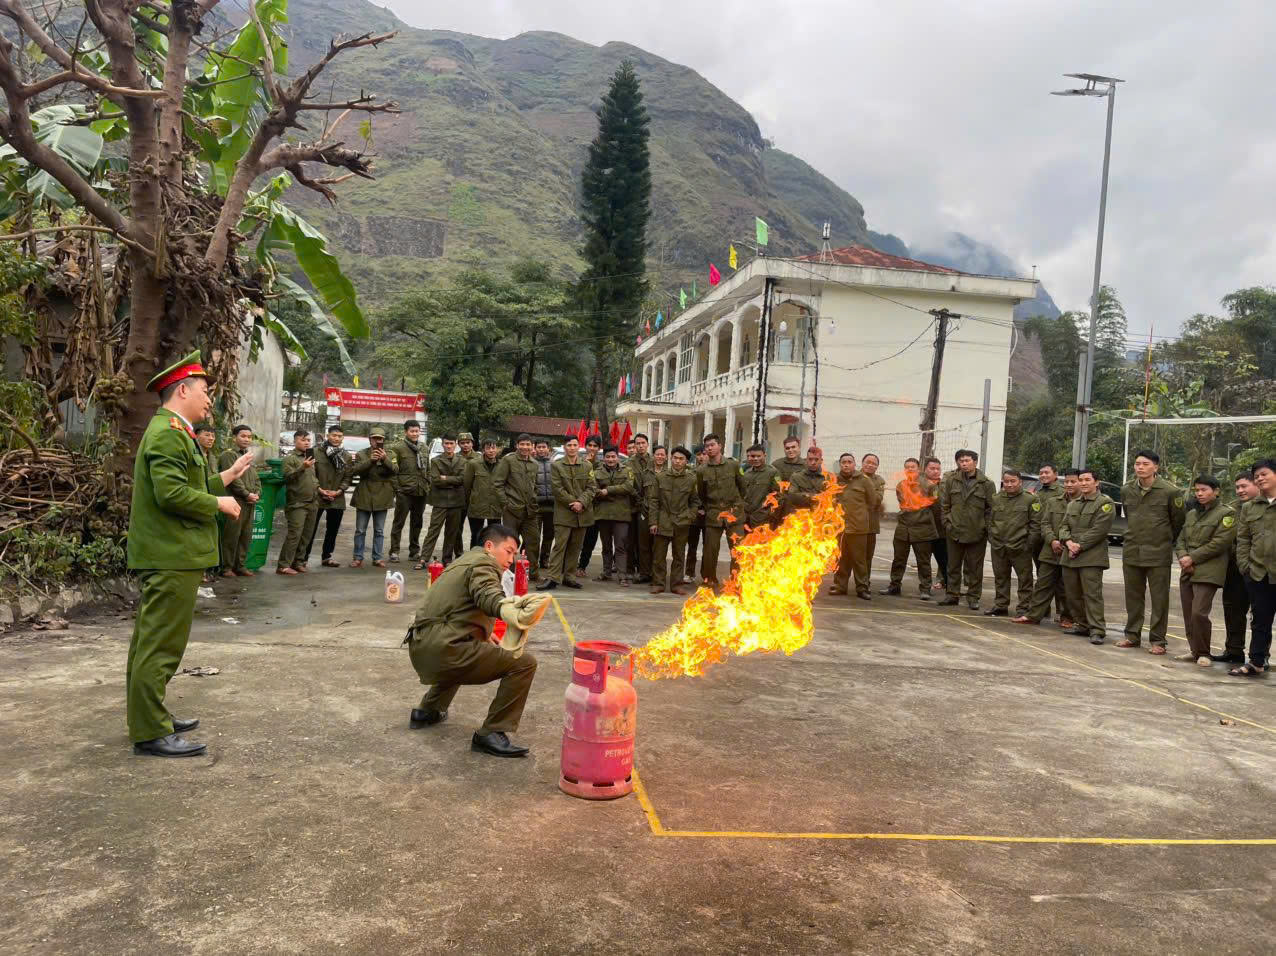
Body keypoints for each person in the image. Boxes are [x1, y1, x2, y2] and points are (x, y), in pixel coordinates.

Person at [125, 351, 256, 757]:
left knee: (150, 642)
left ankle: (150, 716)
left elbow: (188, 484)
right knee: (160, 645)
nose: (209, 400)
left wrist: (227, 477)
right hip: (171, 553)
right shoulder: (168, 433)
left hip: (171, 552)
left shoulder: (175, 431)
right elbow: (171, 494)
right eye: (204, 391)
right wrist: (219, 503)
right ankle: (150, 731)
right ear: (182, 390)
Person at [405, 524, 549, 757]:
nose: (511, 560)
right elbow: (486, 593)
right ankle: (492, 733)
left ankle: (428, 710)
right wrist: (506, 608)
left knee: (467, 651)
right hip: (444, 651)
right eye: (509, 551)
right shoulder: (484, 563)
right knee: (524, 663)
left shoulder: (462, 562)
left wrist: (482, 630)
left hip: (422, 646)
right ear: (489, 546)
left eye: (514, 554)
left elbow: (456, 606)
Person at [1117, 450, 1186, 655]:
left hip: (1158, 553)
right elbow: (1130, 515)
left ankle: (1158, 640)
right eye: (1137, 464)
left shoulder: (1170, 491)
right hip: (1132, 551)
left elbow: (1178, 522)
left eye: (1145, 464)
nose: (1140, 467)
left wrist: (1164, 540)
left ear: (1156, 467)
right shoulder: (1127, 489)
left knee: (1159, 599)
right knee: (1133, 596)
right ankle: (1132, 635)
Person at [1173, 475, 1236, 666]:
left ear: (1216, 491)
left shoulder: (1227, 513)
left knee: (1198, 612)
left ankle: (1203, 653)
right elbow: (1181, 539)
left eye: (1204, 490)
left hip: (1209, 569)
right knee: (1188, 612)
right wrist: (1183, 556)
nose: (1199, 494)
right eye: (1197, 490)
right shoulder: (1192, 514)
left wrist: (1192, 557)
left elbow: (1220, 542)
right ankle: (1194, 650)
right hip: (1188, 568)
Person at [1014, 468, 1081, 628]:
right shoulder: (1053, 501)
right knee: (1042, 584)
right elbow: (1044, 523)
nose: (1069, 485)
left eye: (1073, 481)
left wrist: (1067, 543)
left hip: (1072, 551)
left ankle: (1067, 617)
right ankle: (1033, 615)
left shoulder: (1083, 503)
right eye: (1067, 482)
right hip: (1050, 550)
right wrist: (1052, 540)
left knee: (1067, 587)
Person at [1059, 468, 1115, 645]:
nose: (1083, 483)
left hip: (1092, 557)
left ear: (1096, 482)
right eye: (1081, 480)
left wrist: (1079, 545)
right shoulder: (1073, 504)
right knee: (1072, 594)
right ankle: (1082, 625)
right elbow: (1063, 527)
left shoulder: (1105, 503)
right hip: (1070, 556)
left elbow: (1099, 530)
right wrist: (1068, 542)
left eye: (1087, 480)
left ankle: (1097, 630)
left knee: (1092, 595)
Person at [1232, 458, 1276, 677]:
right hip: (1258, 573)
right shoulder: (1249, 507)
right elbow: (1243, 539)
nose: (1259, 478)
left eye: (1264, 474)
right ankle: (1256, 662)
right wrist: (1245, 567)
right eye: (1256, 476)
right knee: (1260, 621)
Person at [938, 449, 995, 609]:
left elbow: (991, 509)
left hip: (977, 532)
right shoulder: (952, 481)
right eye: (961, 461)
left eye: (967, 461)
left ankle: (973, 597)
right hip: (954, 530)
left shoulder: (987, 484)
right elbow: (945, 504)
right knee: (952, 566)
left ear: (975, 462)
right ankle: (952, 595)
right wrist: (947, 523)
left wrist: (985, 527)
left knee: (975, 568)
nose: (963, 464)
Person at [538, 435, 596, 591]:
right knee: (559, 546)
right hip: (564, 512)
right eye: (569, 445)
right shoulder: (557, 466)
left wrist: (581, 502)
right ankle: (553, 578)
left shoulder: (587, 466)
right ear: (564, 447)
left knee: (576, 547)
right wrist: (573, 503)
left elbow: (592, 488)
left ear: (579, 447)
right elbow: (557, 489)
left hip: (582, 513)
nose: (572, 448)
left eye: (575, 445)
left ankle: (569, 577)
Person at [1217, 471, 1259, 663]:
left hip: (1260, 567)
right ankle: (1233, 650)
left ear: (1256, 485)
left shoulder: (1268, 507)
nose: (1240, 490)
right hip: (1234, 568)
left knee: (1260, 613)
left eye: (1244, 486)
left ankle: (1260, 655)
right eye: (1237, 487)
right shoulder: (1231, 509)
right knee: (1233, 609)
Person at [883, 458, 938, 599]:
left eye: (913, 466)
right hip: (903, 528)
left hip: (922, 528)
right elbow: (902, 503)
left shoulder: (929, 485)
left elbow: (936, 505)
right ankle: (894, 586)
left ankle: (925, 589)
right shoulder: (901, 485)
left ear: (918, 469)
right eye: (907, 467)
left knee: (923, 561)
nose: (910, 469)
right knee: (898, 559)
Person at [696, 433, 744, 589]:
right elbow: (701, 493)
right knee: (710, 550)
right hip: (714, 514)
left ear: (720, 445)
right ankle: (709, 579)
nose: (709, 448)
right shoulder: (701, 470)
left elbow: (742, 487)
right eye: (707, 446)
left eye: (712, 445)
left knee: (737, 550)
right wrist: (709, 507)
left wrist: (738, 506)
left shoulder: (733, 465)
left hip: (733, 513)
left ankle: (736, 582)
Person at [648, 445, 699, 594]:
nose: (677, 461)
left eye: (681, 459)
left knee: (679, 555)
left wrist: (690, 516)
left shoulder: (691, 479)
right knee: (659, 555)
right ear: (670, 458)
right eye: (675, 458)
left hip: (682, 522)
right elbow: (654, 500)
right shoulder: (661, 477)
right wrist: (653, 522)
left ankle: (677, 584)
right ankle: (658, 583)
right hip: (663, 521)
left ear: (686, 461)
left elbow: (695, 501)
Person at [830, 453, 881, 599]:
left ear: (854, 464)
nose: (846, 464)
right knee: (841, 559)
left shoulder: (864, 481)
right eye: (843, 462)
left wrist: (860, 515)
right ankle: (840, 586)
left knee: (860, 560)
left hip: (858, 527)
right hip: (840, 528)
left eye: (849, 462)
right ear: (840, 464)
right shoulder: (834, 481)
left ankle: (862, 588)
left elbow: (873, 501)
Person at [986, 469, 1035, 616]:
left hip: (1020, 547)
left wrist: (1028, 545)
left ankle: (1024, 608)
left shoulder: (1030, 500)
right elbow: (990, 520)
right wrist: (992, 538)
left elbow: (1036, 525)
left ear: (1020, 482)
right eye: (1006, 481)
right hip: (999, 546)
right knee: (1000, 577)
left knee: (1025, 579)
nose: (1009, 484)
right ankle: (1001, 605)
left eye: (1013, 481)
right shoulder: (996, 498)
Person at [349, 426, 399, 568]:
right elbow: (354, 470)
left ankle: (377, 557)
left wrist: (385, 459)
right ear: (370, 439)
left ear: (384, 440)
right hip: (364, 493)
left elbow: (395, 470)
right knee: (360, 530)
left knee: (379, 530)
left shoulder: (390, 454)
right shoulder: (361, 454)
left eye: (380, 439)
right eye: (374, 438)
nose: (377, 441)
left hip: (383, 494)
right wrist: (370, 461)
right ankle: (358, 557)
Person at [493, 433, 541, 576]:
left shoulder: (535, 464)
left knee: (534, 541)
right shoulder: (508, 461)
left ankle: (532, 573)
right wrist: (505, 503)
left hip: (530, 511)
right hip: (511, 510)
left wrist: (534, 499)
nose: (525, 447)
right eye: (522, 444)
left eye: (528, 444)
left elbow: (535, 485)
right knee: (510, 543)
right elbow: (498, 484)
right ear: (517, 445)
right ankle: (509, 573)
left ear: (532, 446)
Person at [305, 424, 350, 568]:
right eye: (334, 435)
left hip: (337, 498)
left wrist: (339, 491)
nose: (336, 438)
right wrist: (320, 489)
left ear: (342, 438)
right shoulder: (315, 452)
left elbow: (348, 477)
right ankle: (303, 558)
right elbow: (310, 474)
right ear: (327, 436)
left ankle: (327, 557)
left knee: (332, 530)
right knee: (310, 529)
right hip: (317, 496)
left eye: (339, 436)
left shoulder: (346, 456)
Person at [218, 424, 260, 577]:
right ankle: (226, 567)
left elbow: (256, 479)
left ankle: (240, 566)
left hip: (249, 502)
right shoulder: (229, 455)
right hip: (235, 501)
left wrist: (257, 493)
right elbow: (233, 479)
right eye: (243, 436)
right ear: (234, 437)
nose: (246, 439)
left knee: (245, 536)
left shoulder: (248, 457)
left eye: (249, 437)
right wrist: (246, 494)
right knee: (231, 536)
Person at [419, 433, 465, 569]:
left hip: (456, 501)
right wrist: (453, 480)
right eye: (446, 443)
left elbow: (462, 479)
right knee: (433, 530)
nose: (449, 446)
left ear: (456, 445)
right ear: (443, 444)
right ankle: (424, 558)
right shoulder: (436, 460)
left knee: (452, 532)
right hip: (439, 501)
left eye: (451, 443)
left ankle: (447, 559)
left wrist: (446, 478)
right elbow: (436, 480)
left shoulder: (462, 461)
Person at [1029, 464, 1068, 622]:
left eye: (1047, 472)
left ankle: (1062, 612)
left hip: (1055, 541)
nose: (1043, 475)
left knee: (1061, 580)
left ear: (1055, 474)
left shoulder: (1061, 492)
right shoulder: (1038, 492)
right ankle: (1043, 609)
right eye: (1041, 473)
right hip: (1040, 541)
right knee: (1042, 577)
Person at [277, 429, 319, 575]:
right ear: (295, 441)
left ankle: (298, 562)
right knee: (295, 534)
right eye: (303, 440)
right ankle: (283, 565)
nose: (306, 442)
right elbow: (287, 478)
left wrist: (320, 490)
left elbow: (313, 479)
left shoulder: (311, 458)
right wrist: (302, 467)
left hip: (312, 502)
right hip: (297, 503)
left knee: (306, 536)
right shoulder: (290, 459)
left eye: (308, 440)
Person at [388, 420, 429, 565]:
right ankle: (394, 551)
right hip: (404, 491)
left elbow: (428, 469)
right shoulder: (398, 448)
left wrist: (428, 485)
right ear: (406, 432)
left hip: (421, 490)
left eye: (417, 431)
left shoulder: (424, 447)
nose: (415, 434)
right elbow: (393, 471)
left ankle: (414, 551)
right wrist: (397, 489)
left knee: (417, 523)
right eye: (412, 431)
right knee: (399, 522)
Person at [592, 444, 634, 584]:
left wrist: (607, 491)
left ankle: (622, 576)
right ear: (604, 458)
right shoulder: (597, 472)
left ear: (618, 457)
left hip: (621, 515)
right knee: (606, 546)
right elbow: (593, 490)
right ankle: (606, 573)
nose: (610, 459)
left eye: (613, 456)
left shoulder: (627, 471)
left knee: (621, 546)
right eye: (608, 457)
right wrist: (615, 493)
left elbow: (628, 487)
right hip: (603, 514)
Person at [463, 438, 504, 547]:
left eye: (493, 448)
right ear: (483, 450)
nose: (491, 451)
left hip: (495, 506)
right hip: (477, 506)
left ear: (497, 449)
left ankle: (491, 557)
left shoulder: (502, 465)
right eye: (488, 448)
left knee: (494, 536)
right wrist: (471, 501)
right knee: (476, 535)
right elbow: (467, 485)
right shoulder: (473, 464)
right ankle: (474, 556)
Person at [626, 433, 655, 583]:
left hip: (650, 507)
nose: (640, 446)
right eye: (638, 443)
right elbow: (628, 484)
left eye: (643, 443)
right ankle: (630, 570)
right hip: (633, 506)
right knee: (630, 541)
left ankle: (646, 571)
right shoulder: (629, 463)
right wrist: (638, 499)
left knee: (646, 542)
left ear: (647, 444)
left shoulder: (654, 461)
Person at [194, 423, 220, 583]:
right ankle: (198, 572)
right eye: (206, 435)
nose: (211, 439)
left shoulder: (213, 458)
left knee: (209, 537)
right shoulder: (192, 453)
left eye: (213, 436)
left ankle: (206, 571)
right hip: (197, 501)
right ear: (196, 436)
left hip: (212, 501)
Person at [576, 435, 604, 577]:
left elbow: (601, 486)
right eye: (590, 445)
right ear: (585, 446)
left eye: (595, 446)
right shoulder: (578, 461)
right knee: (575, 539)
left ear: (599, 448)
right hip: (579, 506)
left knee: (590, 540)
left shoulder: (602, 465)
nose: (592, 448)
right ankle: (569, 565)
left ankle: (582, 566)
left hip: (595, 508)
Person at [738, 444, 780, 534]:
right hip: (745, 518)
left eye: (759, 456)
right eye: (753, 456)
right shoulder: (747, 473)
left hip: (762, 519)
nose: (756, 459)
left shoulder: (772, 472)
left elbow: (778, 496)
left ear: (764, 455)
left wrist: (766, 512)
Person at [684, 444, 707, 584]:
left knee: (708, 547)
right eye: (698, 454)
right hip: (694, 514)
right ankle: (689, 572)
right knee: (692, 546)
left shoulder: (712, 471)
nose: (701, 457)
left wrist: (706, 509)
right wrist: (695, 509)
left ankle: (706, 575)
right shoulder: (690, 473)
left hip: (709, 514)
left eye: (704, 454)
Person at [924, 457, 948, 590]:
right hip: (924, 527)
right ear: (925, 469)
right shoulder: (919, 484)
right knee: (924, 560)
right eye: (932, 468)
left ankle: (944, 581)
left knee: (943, 558)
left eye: (938, 469)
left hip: (941, 529)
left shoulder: (944, 485)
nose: (935, 471)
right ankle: (925, 586)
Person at [533, 439, 555, 577]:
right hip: (536, 506)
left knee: (549, 535)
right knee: (534, 536)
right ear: (535, 448)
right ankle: (533, 560)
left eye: (544, 447)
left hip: (552, 506)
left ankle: (545, 558)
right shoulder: (531, 464)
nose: (541, 449)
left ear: (548, 448)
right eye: (539, 447)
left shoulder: (554, 465)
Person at [860, 453, 886, 570]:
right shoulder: (853, 477)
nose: (870, 465)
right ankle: (842, 580)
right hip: (853, 524)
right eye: (868, 462)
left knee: (867, 557)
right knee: (847, 556)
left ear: (877, 467)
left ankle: (865, 580)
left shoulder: (879, 481)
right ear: (862, 463)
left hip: (871, 524)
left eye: (874, 464)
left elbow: (877, 500)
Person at [787, 445, 827, 511]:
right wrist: (812, 497)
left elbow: (832, 497)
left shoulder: (828, 477)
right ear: (806, 460)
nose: (813, 462)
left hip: (822, 513)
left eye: (816, 459)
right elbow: (792, 496)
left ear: (821, 461)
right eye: (810, 459)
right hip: (802, 513)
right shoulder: (796, 477)